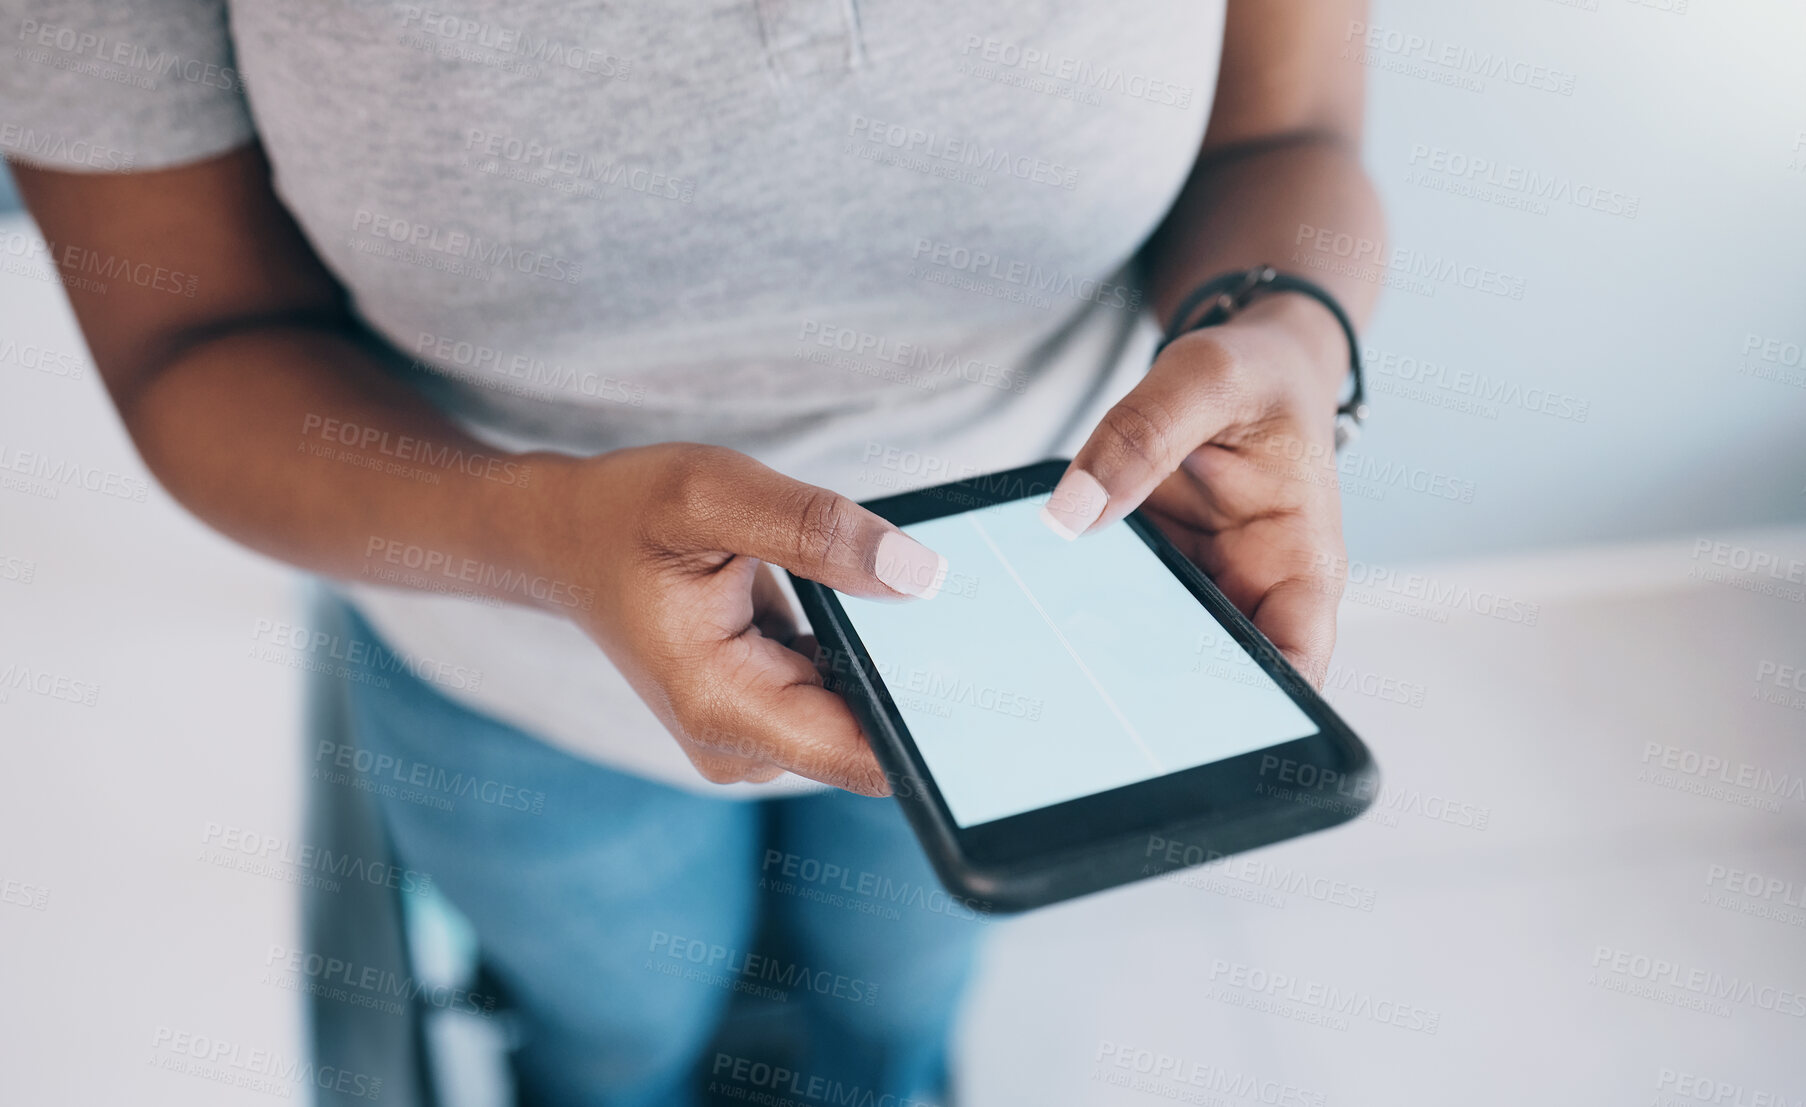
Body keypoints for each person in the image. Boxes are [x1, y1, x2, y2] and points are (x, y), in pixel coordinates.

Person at [2, 0, 1382, 1103]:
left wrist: (1283, 326)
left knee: (894, 1017)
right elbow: (191, 342)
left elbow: (1288, 134)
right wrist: (530, 532)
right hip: (510, 648)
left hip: (1019, 631)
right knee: (609, 1039)